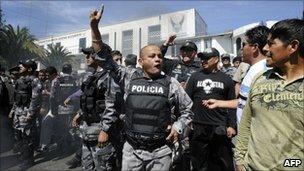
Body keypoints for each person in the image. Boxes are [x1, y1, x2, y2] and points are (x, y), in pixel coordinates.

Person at [90, 6, 193, 171]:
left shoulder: (171, 83)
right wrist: (94, 28)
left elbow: (188, 109)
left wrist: (178, 127)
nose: (158, 59)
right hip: (132, 150)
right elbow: (103, 57)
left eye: (160, 56)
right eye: (152, 56)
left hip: (161, 151)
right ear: (140, 61)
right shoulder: (129, 77)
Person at [235, 19, 304, 171]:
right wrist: (240, 161)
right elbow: (246, 124)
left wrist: (291, 165)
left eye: (271, 43)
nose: (265, 49)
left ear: (293, 46)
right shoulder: (260, 79)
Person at [203, 26, 270, 125]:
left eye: (244, 44)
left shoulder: (264, 72)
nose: (241, 49)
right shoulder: (251, 69)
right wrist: (219, 103)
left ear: (255, 47)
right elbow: (245, 102)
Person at [186, 48, 236, 171]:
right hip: (198, 126)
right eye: (202, 58)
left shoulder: (226, 79)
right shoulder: (195, 77)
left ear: (216, 59)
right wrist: (188, 121)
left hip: (219, 126)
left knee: (223, 163)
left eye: (207, 58)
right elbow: (186, 101)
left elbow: (233, 104)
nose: (203, 61)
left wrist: (232, 125)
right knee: (199, 163)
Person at [71, 46, 118, 171]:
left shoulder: (109, 76)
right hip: (88, 129)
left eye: (89, 55)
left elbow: (112, 105)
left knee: (102, 166)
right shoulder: (90, 76)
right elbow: (87, 98)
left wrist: (105, 130)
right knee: (87, 166)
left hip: (100, 129)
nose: (86, 58)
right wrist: (79, 113)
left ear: (98, 56)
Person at [9, 60, 42, 170]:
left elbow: (35, 98)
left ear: (29, 69)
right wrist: (13, 110)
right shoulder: (20, 80)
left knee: (27, 137)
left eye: (22, 65)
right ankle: (24, 155)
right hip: (18, 112)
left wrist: (30, 113)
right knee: (19, 136)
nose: (19, 66)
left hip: (26, 113)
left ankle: (28, 160)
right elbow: (16, 97)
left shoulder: (35, 80)